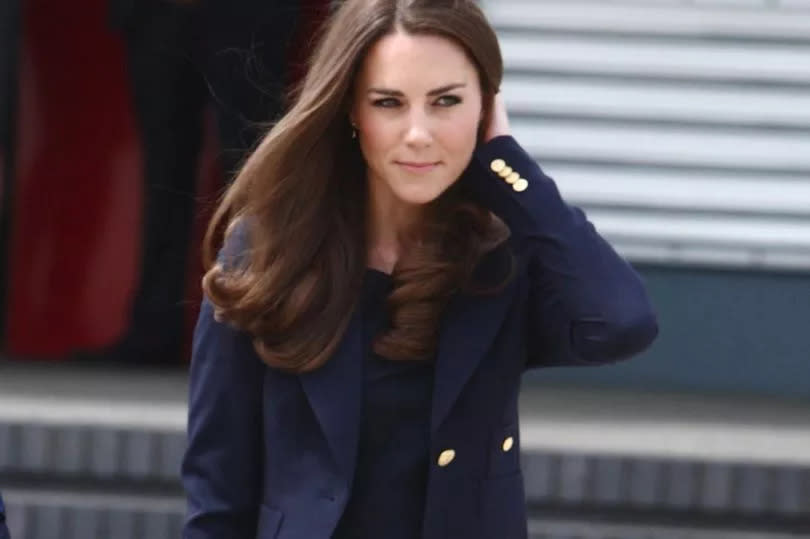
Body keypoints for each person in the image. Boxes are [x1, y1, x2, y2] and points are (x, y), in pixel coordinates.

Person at [181, 1, 659, 538]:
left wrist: (508, 166)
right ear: (351, 112)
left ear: (486, 109)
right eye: (389, 103)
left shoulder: (502, 261)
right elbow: (217, 497)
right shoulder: (270, 250)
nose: (417, 134)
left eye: (446, 102)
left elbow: (623, 322)